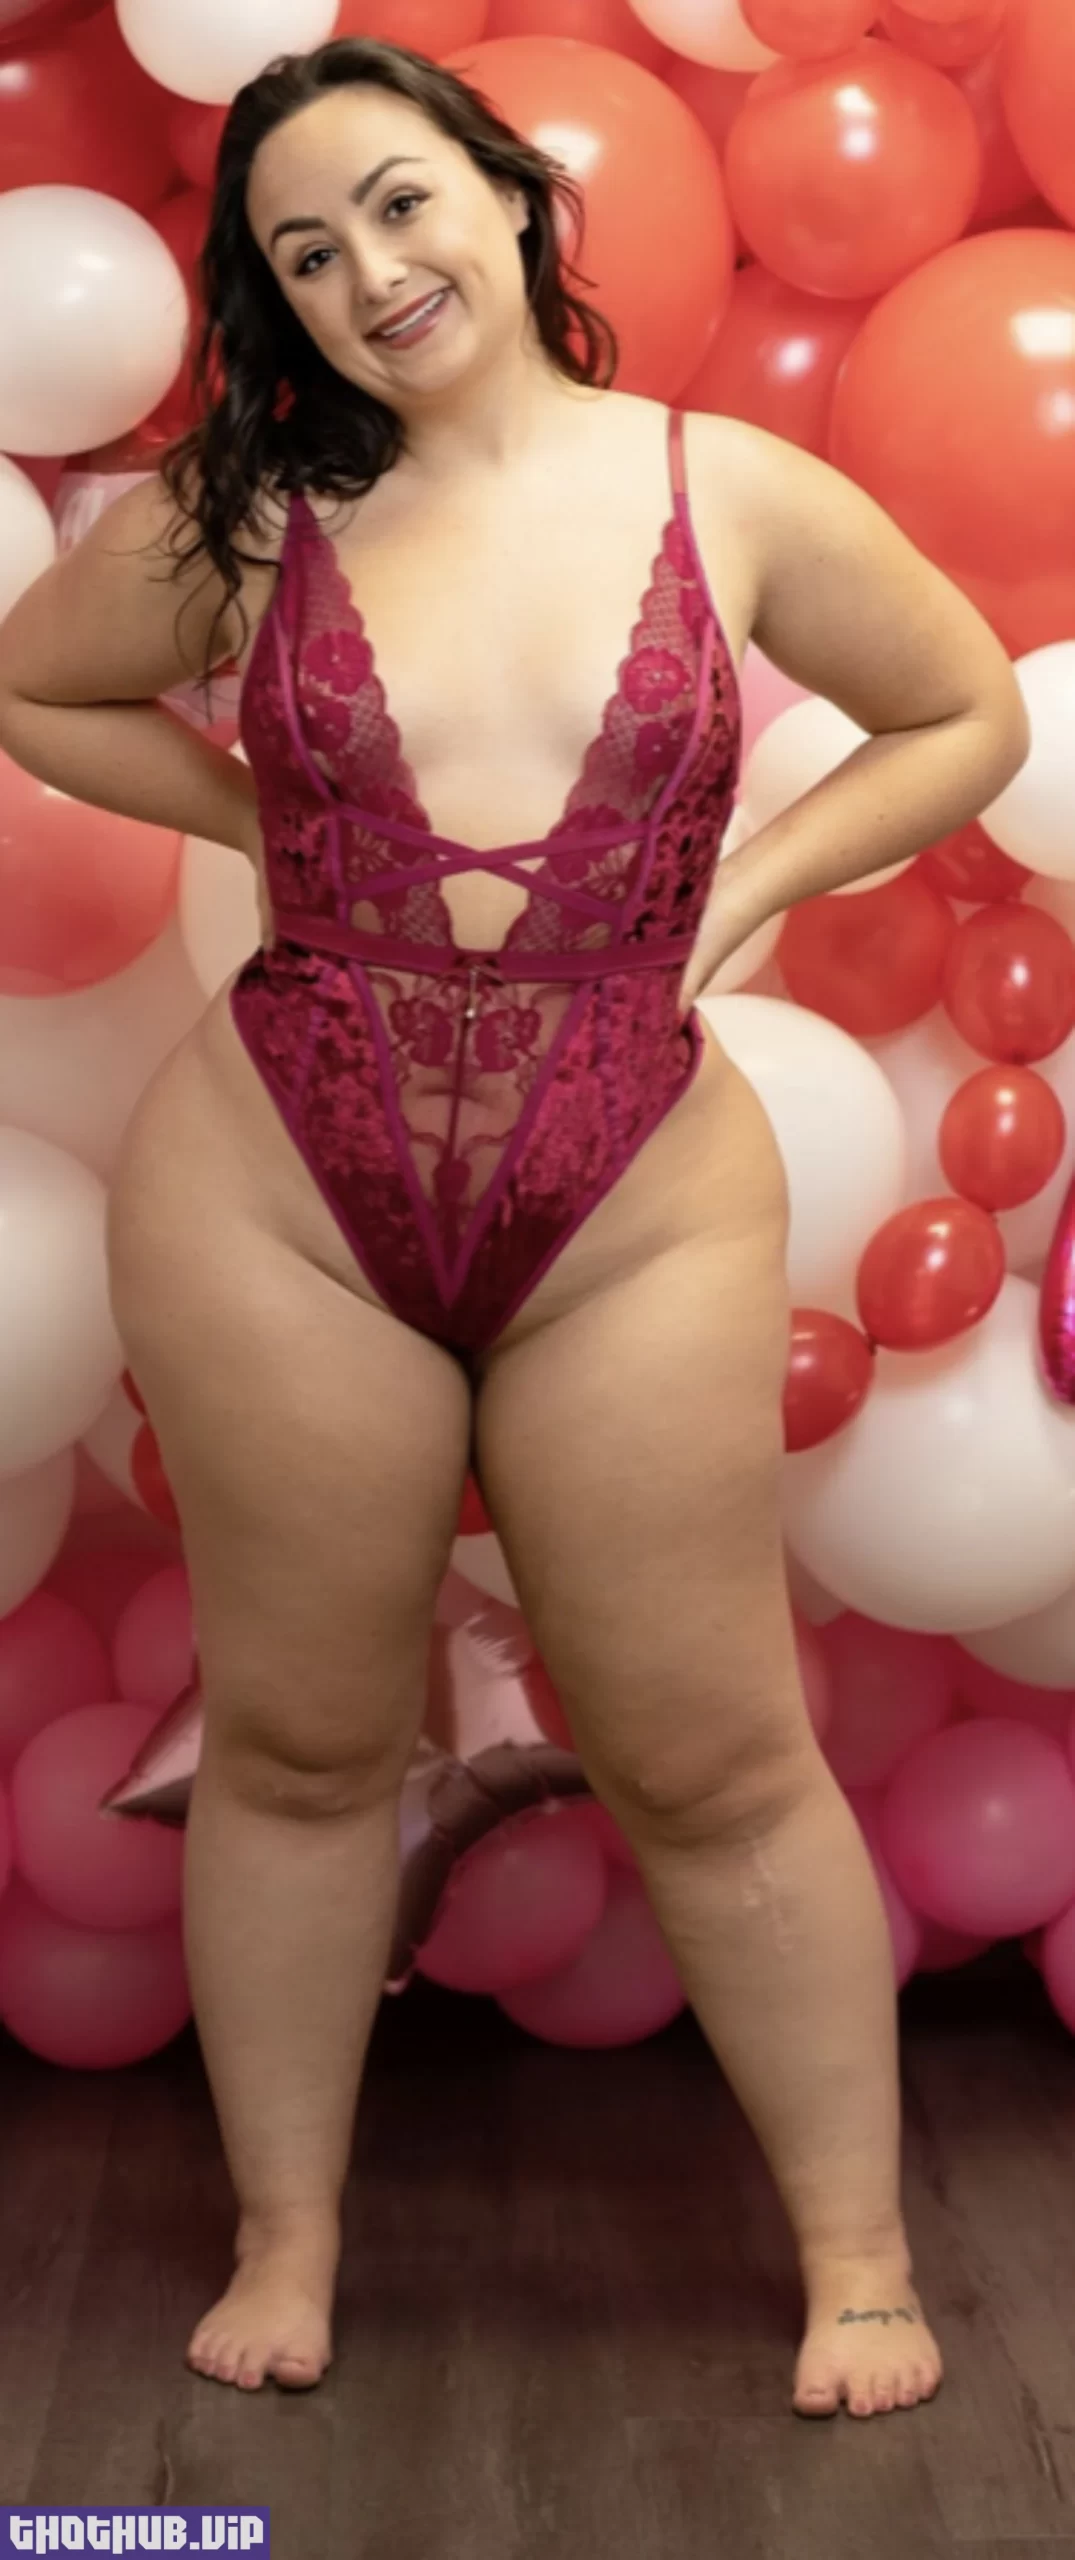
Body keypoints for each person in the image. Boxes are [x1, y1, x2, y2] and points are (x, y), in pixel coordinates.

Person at [0, 33, 1027, 2415]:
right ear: (278, 303)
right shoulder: (255, 516)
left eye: (397, 201)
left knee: (712, 1747)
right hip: (284, 1188)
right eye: (304, 251)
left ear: (509, 193)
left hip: (631, 1190)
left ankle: (861, 2255)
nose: (368, 270)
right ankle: (285, 2236)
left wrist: (750, 887)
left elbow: (966, 710)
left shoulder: (726, 488)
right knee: (297, 1734)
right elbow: (38, 690)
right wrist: (257, 827)